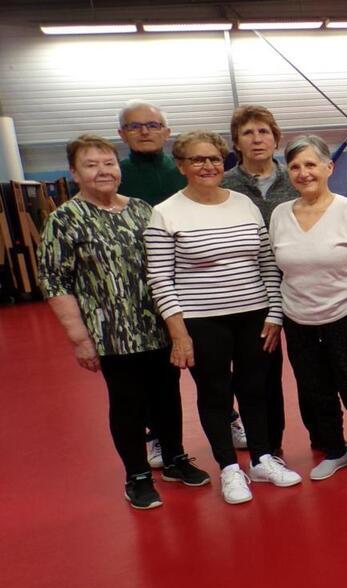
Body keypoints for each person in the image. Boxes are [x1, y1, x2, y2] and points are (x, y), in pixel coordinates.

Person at [36, 134, 210, 509]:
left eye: (108, 163)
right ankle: (138, 475)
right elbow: (54, 280)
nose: (102, 171)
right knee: (128, 403)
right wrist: (79, 338)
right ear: (74, 171)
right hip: (112, 334)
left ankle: (176, 458)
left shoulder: (141, 209)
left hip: (158, 325)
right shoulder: (64, 219)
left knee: (167, 397)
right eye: (91, 164)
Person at [145, 130, 302, 505]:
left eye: (214, 158)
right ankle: (230, 468)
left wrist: (275, 314)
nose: (207, 166)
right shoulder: (165, 212)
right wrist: (179, 333)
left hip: (255, 315)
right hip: (203, 321)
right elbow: (160, 278)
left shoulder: (243, 204)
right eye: (197, 160)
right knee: (215, 393)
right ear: (182, 165)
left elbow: (266, 261)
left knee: (255, 389)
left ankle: (262, 459)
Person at [270, 135, 347, 482]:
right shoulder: (280, 215)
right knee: (314, 389)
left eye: (310, 164)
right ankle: (336, 450)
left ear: (328, 167)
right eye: (295, 166)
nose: (303, 172)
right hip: (299, 318)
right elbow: (277, 267)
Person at [222, 104, 338, 457]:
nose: (256, 139)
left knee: (314, 372)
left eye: (263, 132)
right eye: (247, 133)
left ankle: (325, 436)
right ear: (236, 143)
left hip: (305, 289)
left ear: (276, 138)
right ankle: (269, 446)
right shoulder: (227, 186)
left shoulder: (298, 177)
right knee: (261, 376)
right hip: (253, 295)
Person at [115, 100, 191, 468]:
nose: (144, 131)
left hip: (193, 275)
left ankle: (226, 415)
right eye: (134, 126)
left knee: (209, 352)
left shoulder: (183, 170)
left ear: (166, 130)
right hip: (140, 284)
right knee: (153, 364)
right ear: (121, 134)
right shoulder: (118, 174)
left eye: (152, 124)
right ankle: (157, 434)